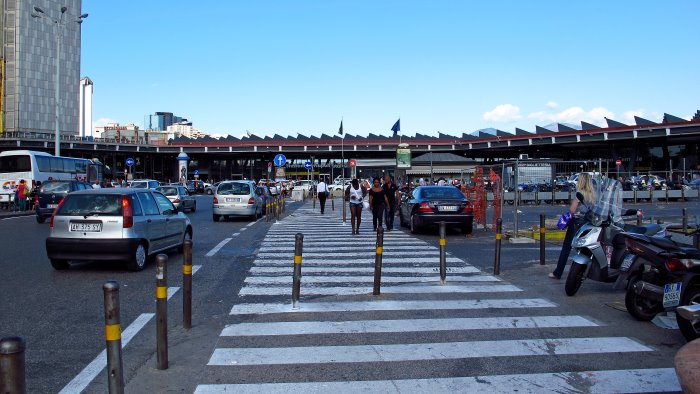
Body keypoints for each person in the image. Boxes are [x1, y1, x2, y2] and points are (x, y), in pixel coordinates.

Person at [550, 173, 597, 279]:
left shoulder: (579, 194)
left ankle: (558, 272)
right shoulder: (594, 195)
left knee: (566, 248)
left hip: (576, 223)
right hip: (589, 223)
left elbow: (572, 210)